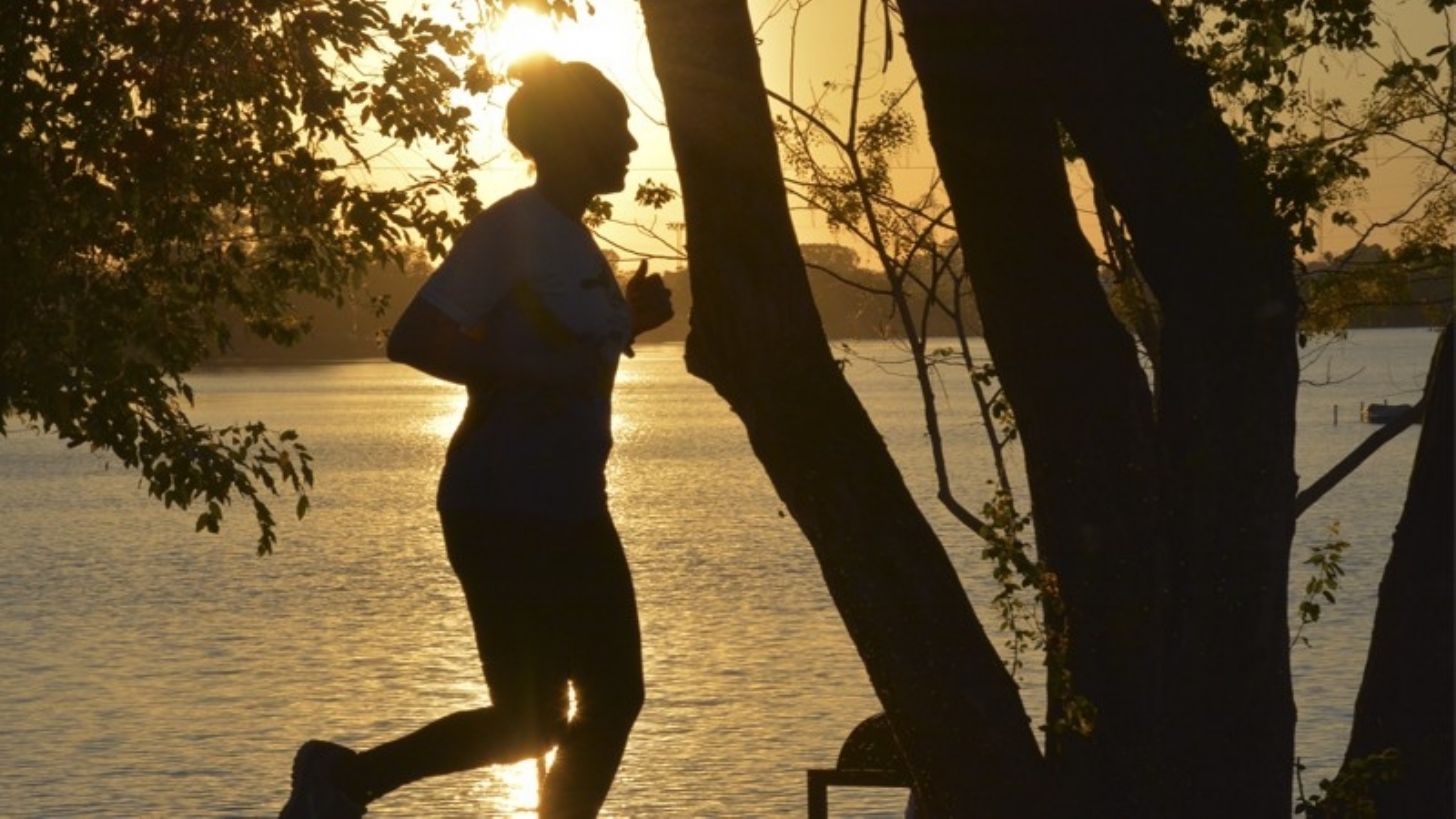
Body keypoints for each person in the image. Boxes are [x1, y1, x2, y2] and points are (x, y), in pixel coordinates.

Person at [278, 56, 672, 819]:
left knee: (607, 700)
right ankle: (342, 778)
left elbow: (564, 351)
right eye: (616, 128)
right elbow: (415, 337)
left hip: (573, 504)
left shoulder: (573, 238)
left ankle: (346, 780)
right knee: (534, 720)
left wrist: (630, 320)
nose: (630, 145)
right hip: (502, 503)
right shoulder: (512, 230)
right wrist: (527, 370)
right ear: (571, 136)